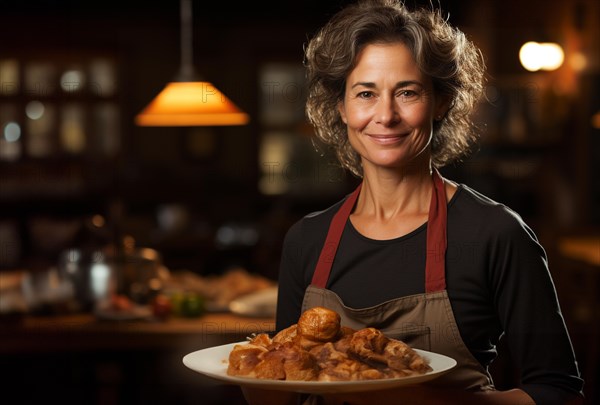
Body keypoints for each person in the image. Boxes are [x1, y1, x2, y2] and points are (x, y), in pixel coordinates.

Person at [244, 0, 585, 404]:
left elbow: (559, 392)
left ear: (440, 102)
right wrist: (251, 372)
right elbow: (284, 385)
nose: (386, 115)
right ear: (341, 107)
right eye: (365, 93)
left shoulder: (495, 234)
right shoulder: (306, 240)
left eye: (407, 92)